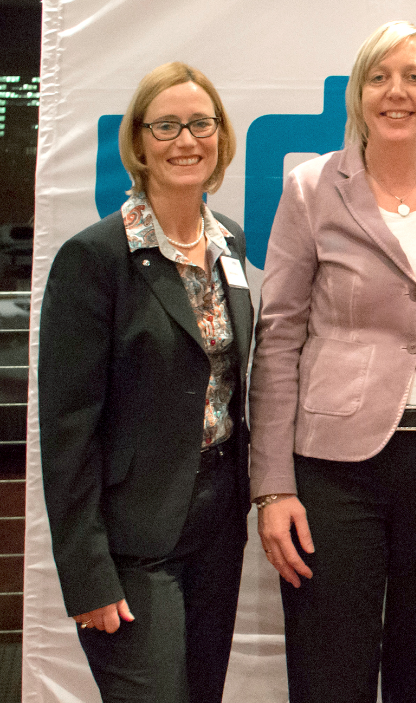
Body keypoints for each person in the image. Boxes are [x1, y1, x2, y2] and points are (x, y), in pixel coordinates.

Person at [249, 20, 416, 703]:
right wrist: (273, 487)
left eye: (414, 77)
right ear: (358, 94)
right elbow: (278, 337)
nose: (397, 92)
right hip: (335, 474)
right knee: (329, 674)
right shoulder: (312, 188)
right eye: (379, 77)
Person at [39, 62, 251, 703]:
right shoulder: (96, 257)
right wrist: (88, 576)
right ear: (137, 142)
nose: (186, 140)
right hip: (133, 540)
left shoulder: (230, 245)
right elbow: (66, 430)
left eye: (200, 123)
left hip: (218, 526)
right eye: (166, 126)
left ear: (220, 137)